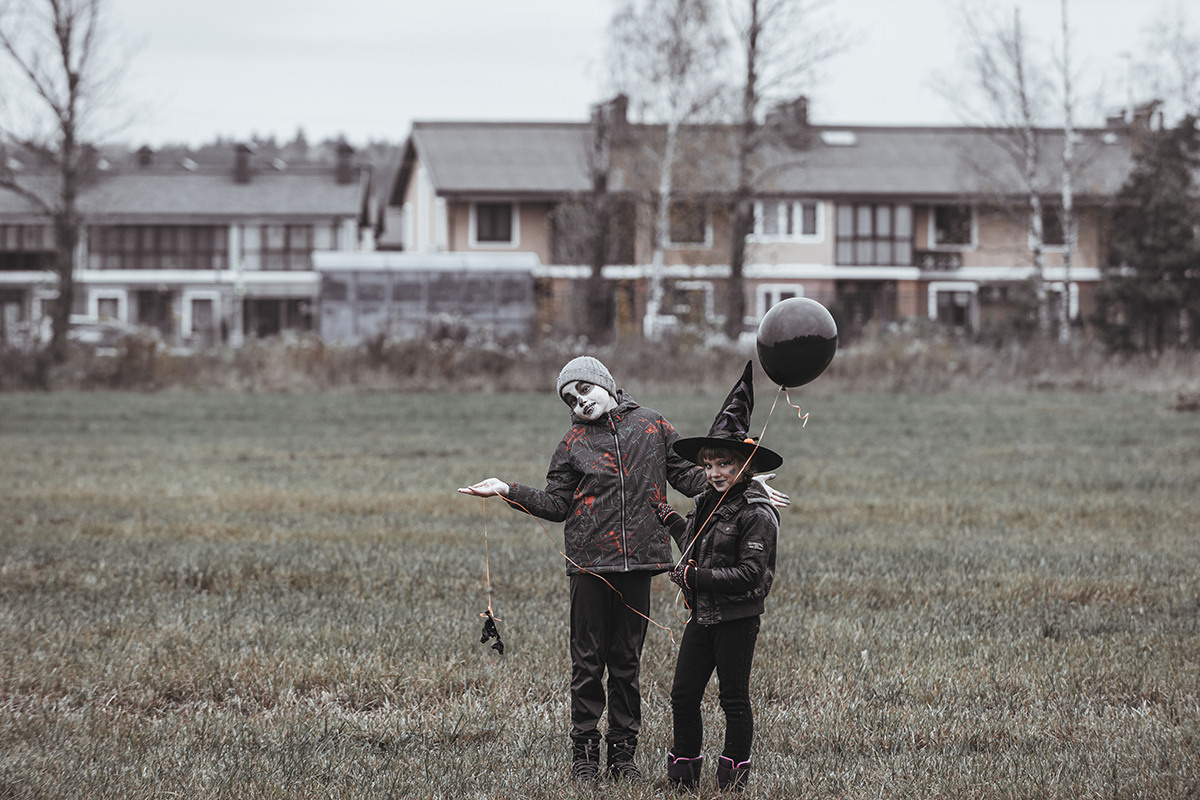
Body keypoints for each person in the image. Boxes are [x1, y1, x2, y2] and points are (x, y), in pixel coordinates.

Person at [458, 355, 787, 785]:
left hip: (639, 565)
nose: (578, 403)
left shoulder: (652, 426)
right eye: (569, 400)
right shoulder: (572, 443)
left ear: (606, 384)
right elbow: (557, 505)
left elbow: (691, 476)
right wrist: (507, 489)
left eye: (583, 390)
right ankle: (585, 754)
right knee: (587, 662)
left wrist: (749, 480)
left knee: (627, 662)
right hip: (589, 567)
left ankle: (623, 754)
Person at [655, 361, 782, 792]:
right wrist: (669, 519)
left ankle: (733, 776)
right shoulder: (707, 501)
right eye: (709, 465)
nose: (714, 473)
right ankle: (685, 773)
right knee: (683, 696)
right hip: (702, 616)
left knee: (733, 699)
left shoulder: (758, 513)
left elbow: (749, 574)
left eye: (724, 464)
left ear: (745, 463)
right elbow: (692, 544)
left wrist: (696, 578)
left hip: (736, 618)